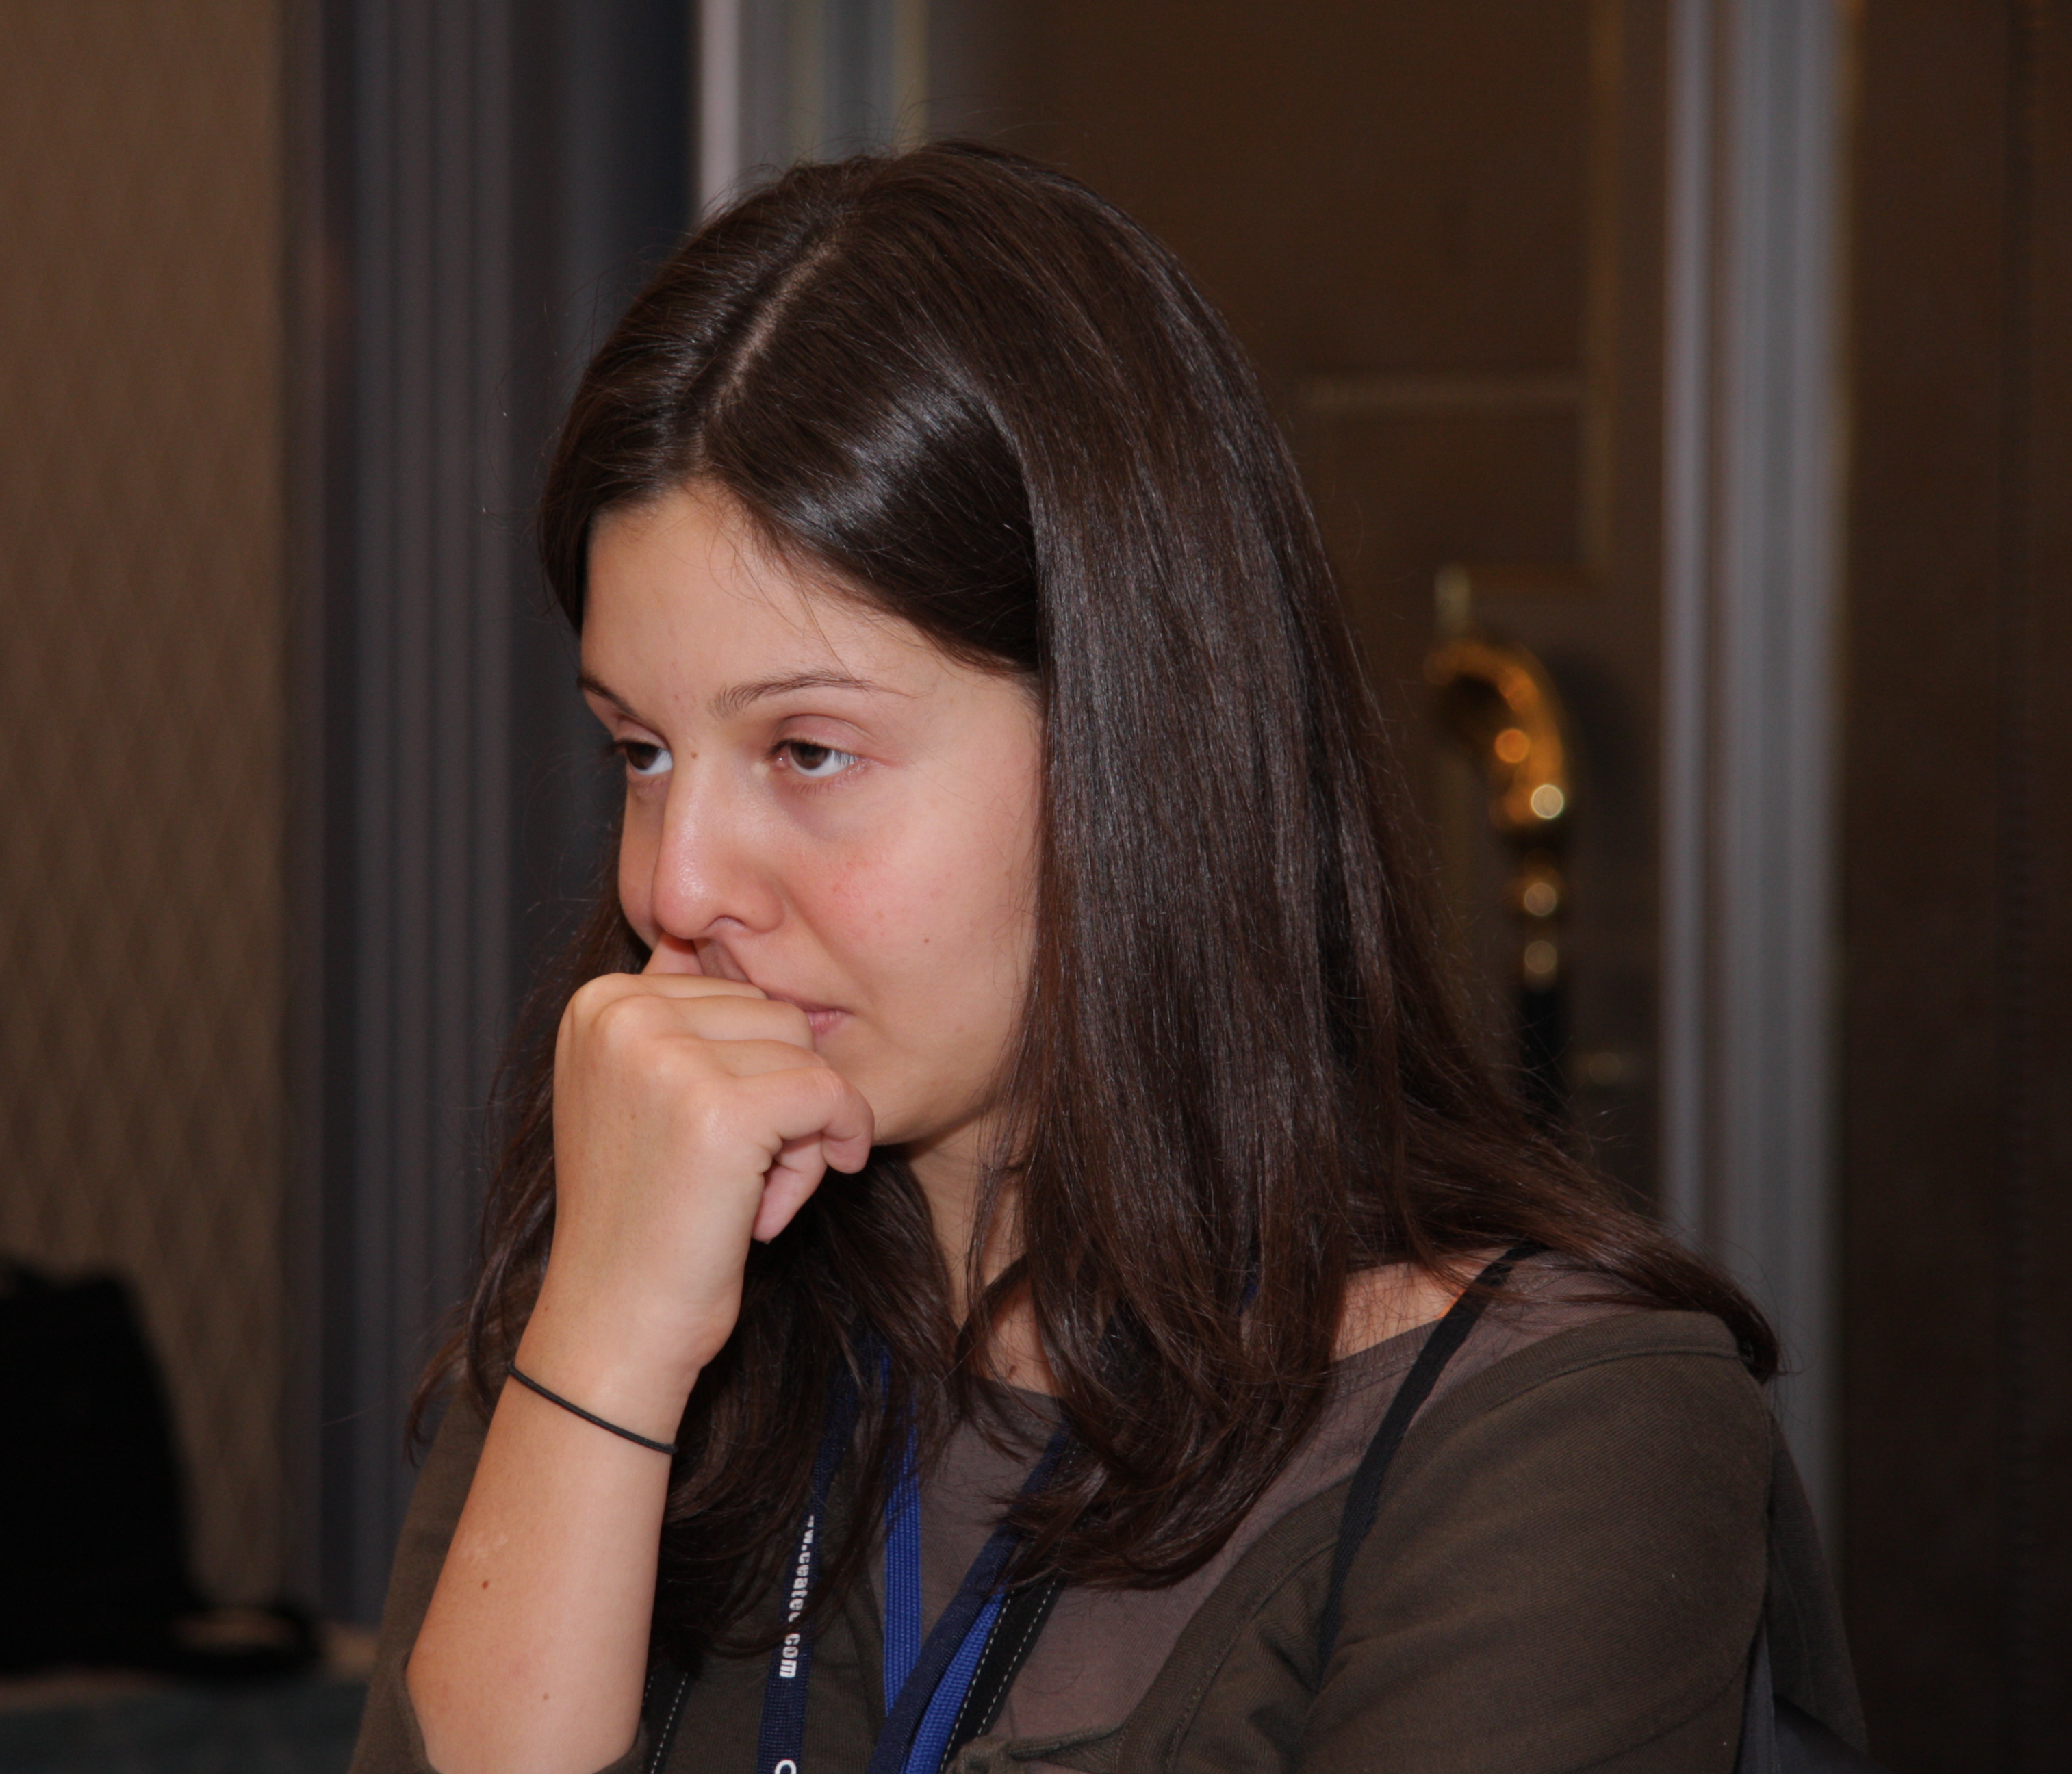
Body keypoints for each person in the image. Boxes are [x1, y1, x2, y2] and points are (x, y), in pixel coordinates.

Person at [353, 144, 1864, 1774]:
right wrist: (605, 1343)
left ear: (1135, 745)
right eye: (640, 752)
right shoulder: (637, 1285)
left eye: (806, 751)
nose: (678, 880)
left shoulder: (1552, 1433)